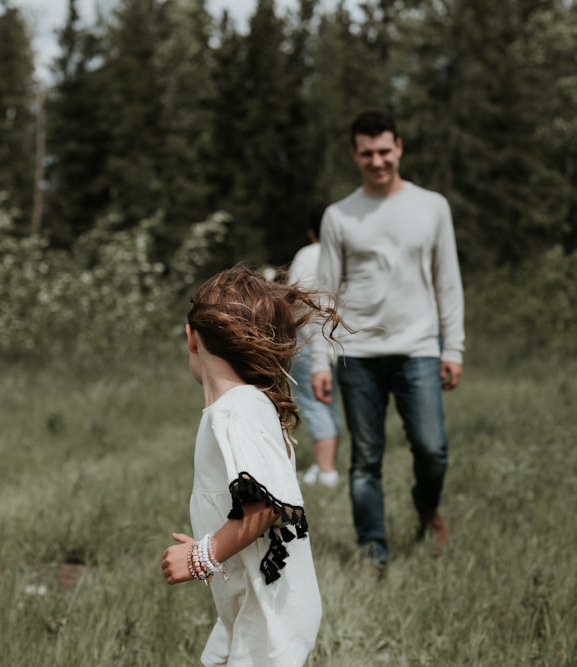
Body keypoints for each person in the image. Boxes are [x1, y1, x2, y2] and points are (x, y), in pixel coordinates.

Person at [160, 265, 345, 667]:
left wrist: (201, 556)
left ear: (192, 337)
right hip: (257, 603)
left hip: (268, 614)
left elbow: (263, 508)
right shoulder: (245, 407)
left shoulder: (236, 411)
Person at [311, 109, 465, 573]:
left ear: (399, 147)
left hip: (419, 346)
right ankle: (373, 551)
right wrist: (321, 359)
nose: (376, 161)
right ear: (355, 155)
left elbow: (448, 281)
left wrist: (452, 347)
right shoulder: (339, 215)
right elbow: (325, 295)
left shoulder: (432, 206)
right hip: (358, 355)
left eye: (384, 151)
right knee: (365, 461)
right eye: (366, 153)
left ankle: (425, 506)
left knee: (432, 449)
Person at [289, 211, 344, 488]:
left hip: (311, 337)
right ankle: (327, 465)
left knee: (313, 401)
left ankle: (326, 470)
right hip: (342, 342)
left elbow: (295, 295)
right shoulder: (349, 253)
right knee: (329, 401)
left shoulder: (308, 254)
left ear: (313, 231)